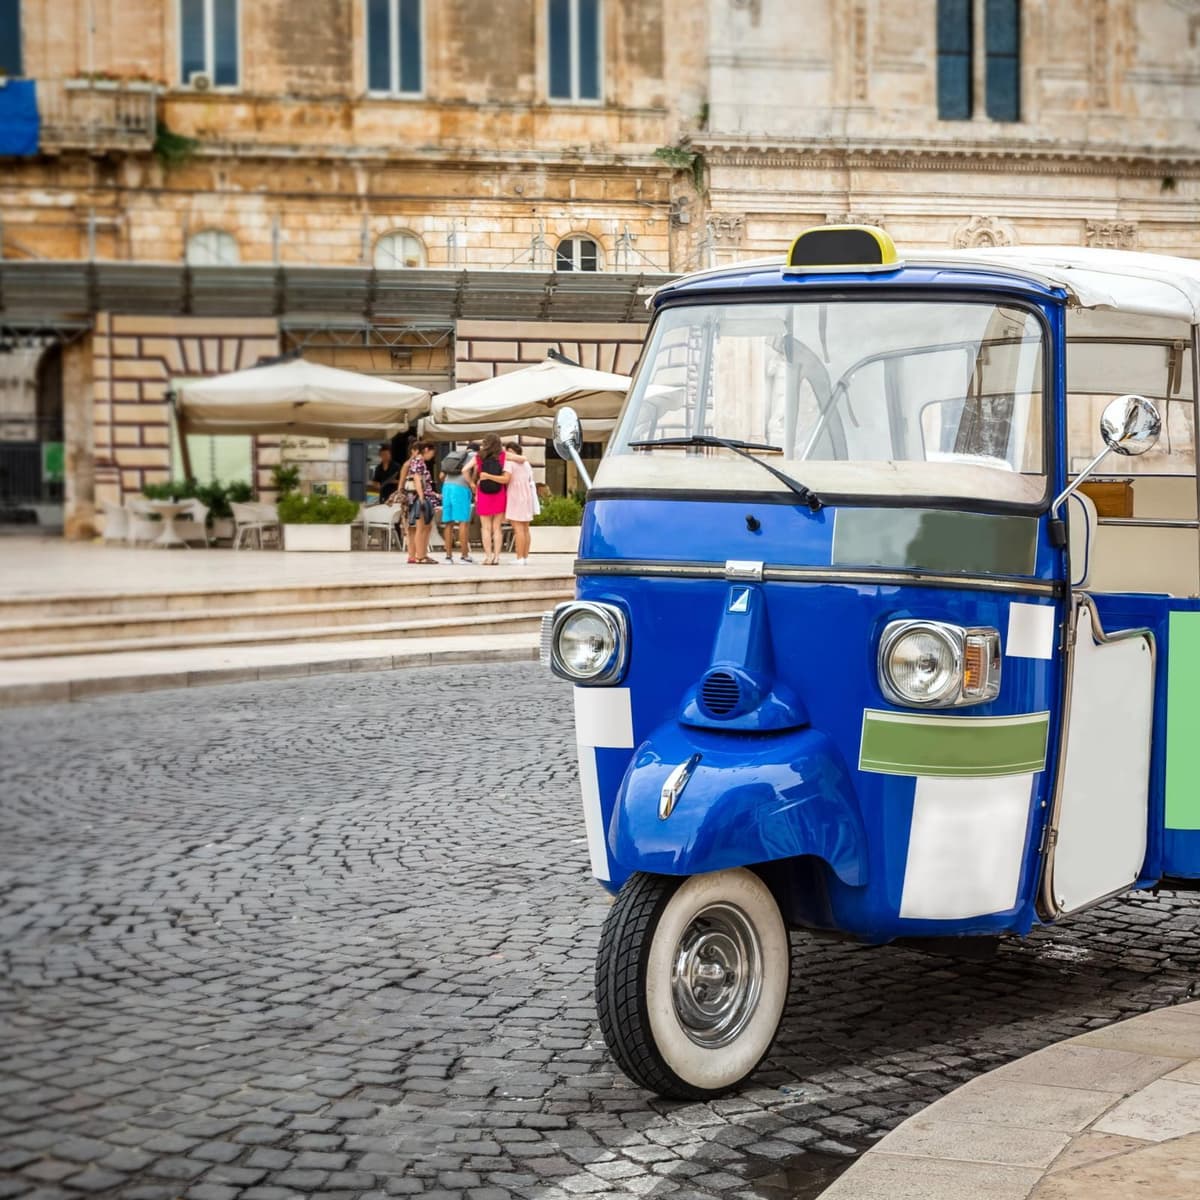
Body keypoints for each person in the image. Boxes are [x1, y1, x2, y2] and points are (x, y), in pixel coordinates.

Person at [474, 433, 510, 566]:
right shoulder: (503, 456)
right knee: (497, 527)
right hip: (499, 492)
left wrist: (474, 483)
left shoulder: (479, 456)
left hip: (483, 493)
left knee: (485, 528)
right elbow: (521, 459)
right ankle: (497, 557)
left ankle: (488, 557)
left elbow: (468, 469)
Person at [503, 441, 539, 564]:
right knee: (525, 528)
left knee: (518, 529)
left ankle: (520, 557)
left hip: (515, 496)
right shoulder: (527, 464)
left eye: (509, 451)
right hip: (527, 495)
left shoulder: (509, 463)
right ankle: (525, 557)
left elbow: (506, 479)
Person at [439, 444, 474, 563]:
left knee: (449, 523)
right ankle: (464, 556)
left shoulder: (455, 456)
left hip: (447, 488)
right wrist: (472, 483)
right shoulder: (474, 456)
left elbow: (441, 476)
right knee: (463, 523)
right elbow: (475, 473)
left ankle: (448, 557)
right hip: (461, 489)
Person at [405, 441, 439, 564]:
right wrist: (421, 496)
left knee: (426, 526)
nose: (432, 456)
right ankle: (420, 555)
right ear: (426, 450)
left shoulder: (419, 462)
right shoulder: (419, 462)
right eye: (431, 453)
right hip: (419, 498)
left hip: (420, 496)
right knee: (421, 527)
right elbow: (417, 478)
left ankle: (423, 554)